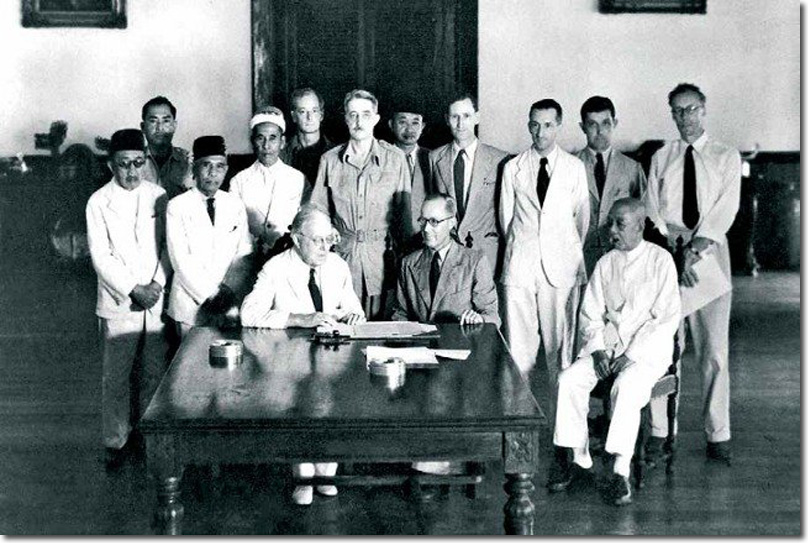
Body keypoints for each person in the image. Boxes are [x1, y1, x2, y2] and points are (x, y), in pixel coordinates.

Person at [549, 198, 681, 506]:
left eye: (619, 224)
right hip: (607, 348)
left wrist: (631, 354)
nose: (612, 231)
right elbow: (590, 312)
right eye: (610, 223)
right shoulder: (606, 262)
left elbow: (665, 319)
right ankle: (578, 459)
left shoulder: (660, 261)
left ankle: (620, 470)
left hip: (647, 352)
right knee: (568, 379)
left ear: (639, 226)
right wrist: (596, 350)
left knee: (626, 387)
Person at [241, 205, 365, 505]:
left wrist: (352, 317)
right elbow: (249, 314)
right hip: (289, 358)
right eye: (317, 240)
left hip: (332, 355)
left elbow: (355, 309)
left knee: (332, 407)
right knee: (300, 410)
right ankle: (303, 476)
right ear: (297, 239)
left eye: (329, 239)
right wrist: (299, 318)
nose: (325, 247)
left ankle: (325, 473)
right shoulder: (276, 267)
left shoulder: (337, 265)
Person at [644, 83, 741, 465]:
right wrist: (672, 251)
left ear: (704, 110)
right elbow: (652, 209)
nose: (685, 118)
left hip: (709, 255)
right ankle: (659, 432)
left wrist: (695, 250)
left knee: (714, 351)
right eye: (677, 111)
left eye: (691, 110)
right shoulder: (662, 157)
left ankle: (718, 434)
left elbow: (725, 209)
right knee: (662, 349)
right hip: (667, 256)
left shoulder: (725, 156)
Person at [499, 99, 590, 423]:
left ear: (559, 125)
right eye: (535, 124)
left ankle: (560, 428)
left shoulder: (574, 168)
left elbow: (582, 221)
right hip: (521, 267)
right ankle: (519, 422)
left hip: (562, 270)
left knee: (560, 353)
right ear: (528, 125)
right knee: (519, 352)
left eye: (548, 124)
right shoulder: (513, 168)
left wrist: (563, 251)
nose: (541, 131)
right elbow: (506, 220)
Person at [85, 128, 170, 468]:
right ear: (111, 166)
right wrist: (134, 288)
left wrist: (155, 285)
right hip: (120, 300)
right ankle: (116, 442)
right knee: (117, 375)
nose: (132, 171)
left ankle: (151, 439)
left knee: (154, 373)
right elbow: (100, 256)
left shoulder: (159, 195)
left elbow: (168, 247)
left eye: (138, 163)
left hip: (156, 297)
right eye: (123, 164)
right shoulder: (98, 202)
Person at [308, 89, 413, 320]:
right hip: (342, 256)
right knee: (342, 326)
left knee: (380, 327)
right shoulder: (330, 160)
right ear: (345, 118)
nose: (358, 121)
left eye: (365, 115)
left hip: (382, 259)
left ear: (376, 119)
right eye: (353, 115)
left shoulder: (395, 159)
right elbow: (318, 212)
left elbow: (404, 218)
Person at [166, 136, 253, 338]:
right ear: (194, 168)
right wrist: (213, 296)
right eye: (206, 166)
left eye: (219, 166)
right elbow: (181, 260)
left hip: (229, 302)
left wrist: (228, 294)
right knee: (189, 366)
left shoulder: (235, 204)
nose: (213, 173)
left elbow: (244, 253)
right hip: (190, 304)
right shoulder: (177, 206)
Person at [428, 95, 509, 275]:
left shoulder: (499, 159)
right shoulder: (435, 157)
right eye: (454, 116)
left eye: (466, 116)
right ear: (446, 119)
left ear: (477, 118)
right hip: (448, 250)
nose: (460, 123)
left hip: (487, 250)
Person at [392, 193, 499, 326]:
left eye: (434, 222)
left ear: (451, 223)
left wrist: (479, 320)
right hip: (420, 345)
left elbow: (492, 316)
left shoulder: (475, 261)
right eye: (423, 220)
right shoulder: (408, 263)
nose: (426, 229)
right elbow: (400, 314)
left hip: (460, 343)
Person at [575, 96, 647, 276]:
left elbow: (643, 216)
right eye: (592, 124)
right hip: (580, 257)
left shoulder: (632, 168)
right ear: (582, 127)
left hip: (621, 256)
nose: (599, 131)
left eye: (605, 123)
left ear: (614, 123)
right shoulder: (569, 167)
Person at [229, 108, 306, 262]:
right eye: (260, 138)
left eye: (272, 138)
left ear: (282, 142)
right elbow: (234, 224)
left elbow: (304, 221)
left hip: (288, 256)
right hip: (248, 257)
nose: (266, 145)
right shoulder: (239, 181)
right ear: (252, 141)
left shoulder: (297, 179)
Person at [281, 88, 336, 198]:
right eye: (302, 111)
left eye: (314, 111)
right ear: (294, 116)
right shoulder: (281, 154)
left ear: (321, 115)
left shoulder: (336, 154)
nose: (309, 117)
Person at [140, 96, 193, 199]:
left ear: (174, 126)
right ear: (143, 127)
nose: (160, 128)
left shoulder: (188, 161)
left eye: (166, 121)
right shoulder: (133, 162)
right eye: (153, 121)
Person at [389, 108, 431, 236]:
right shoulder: (380, 157)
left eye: (415, 123)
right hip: (386, 240)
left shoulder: (432, 159)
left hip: (424, 237)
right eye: (402, 122)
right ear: (391, 124)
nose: (409, 129)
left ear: (422, 126)